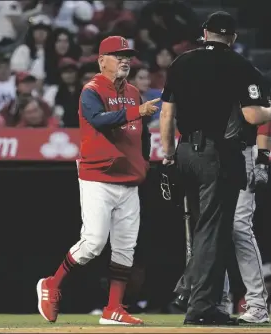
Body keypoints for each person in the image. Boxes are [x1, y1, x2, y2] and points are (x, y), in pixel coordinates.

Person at [159, 11, 271, 326]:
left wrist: (262, 157)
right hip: (223, 156)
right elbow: (259, 115)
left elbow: (166, 115)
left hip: (202, 151)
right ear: (234, 37)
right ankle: (213, 300)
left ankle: (247, 302)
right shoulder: (242, 67)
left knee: (224, 229)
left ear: (204, 33)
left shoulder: (181, 63)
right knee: (211, 232)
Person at [36, 36, 160, 325]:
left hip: (129, 180)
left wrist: (145, 160)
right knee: (92, 243)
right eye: (118, 55)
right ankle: (51, 284)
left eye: (127, 55)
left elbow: (143, 133)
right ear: (102, 60)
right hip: (98, 176)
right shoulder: (91, 90)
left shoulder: (132, 91)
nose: (125, 60)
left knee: (125, 247)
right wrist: (135, 112)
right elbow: (98, 120)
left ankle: (114, 308)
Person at [172, 121, 271, 324]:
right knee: (215, 229)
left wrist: (263, 159)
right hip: (212, 153)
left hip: (242, 150)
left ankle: (257, 304)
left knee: (239, 227)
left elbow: (262, 117)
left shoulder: (241, 87)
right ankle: (217, 302)